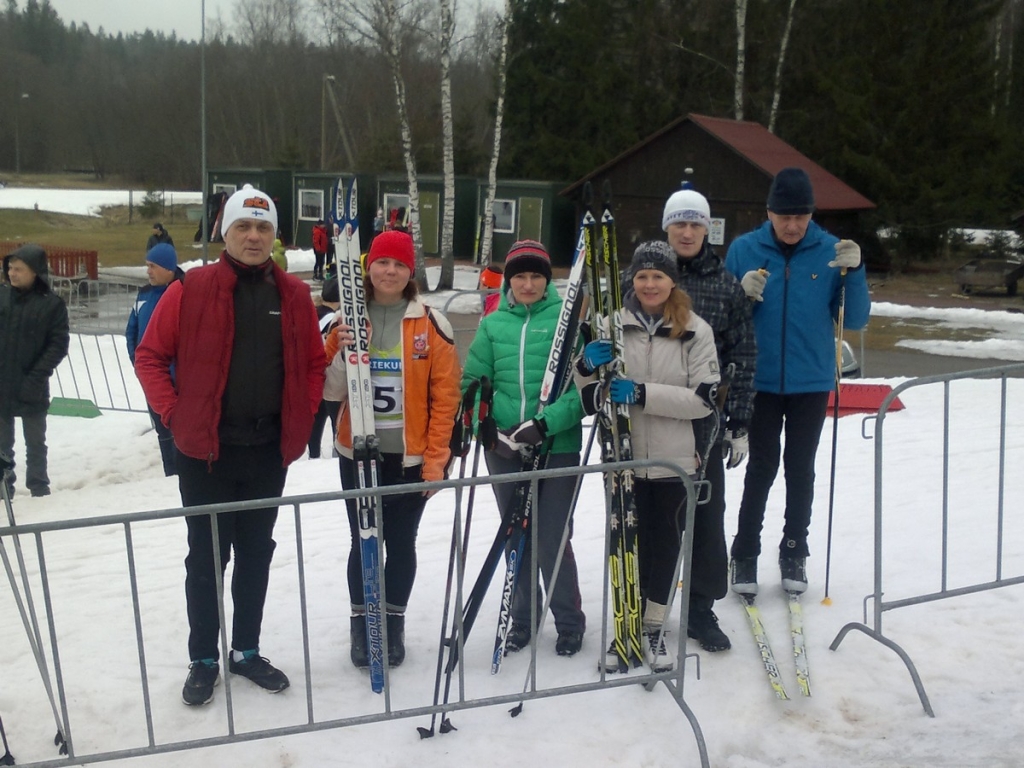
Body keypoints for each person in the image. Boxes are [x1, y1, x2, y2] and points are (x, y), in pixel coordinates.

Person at [135, 184, 326, 707]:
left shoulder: (292, 295)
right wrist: (174, 414)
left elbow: (313, 364)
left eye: (263, 227)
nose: (253, 236)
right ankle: (203, 657)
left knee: (256, 555)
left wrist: (303, 415)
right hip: (206, 455)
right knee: (206, 557)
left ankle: (245, 650)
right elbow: (150, 356)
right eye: (243, 226)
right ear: (224, 230)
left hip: (266, 451)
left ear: (274, 235)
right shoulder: (191, 288)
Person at [724, 167, 870, 595]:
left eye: (800, 217)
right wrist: (742, 297)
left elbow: (855, 318)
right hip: (761, 380)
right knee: (762, 466)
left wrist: (856, 272)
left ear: (811, 214)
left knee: (800, 468)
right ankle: (745, 552)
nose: (791, 226)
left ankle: (794, 550)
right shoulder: (744, 248)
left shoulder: (830, 251)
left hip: (811, 380)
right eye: (783, 216)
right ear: (769, 212)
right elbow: (725, 324)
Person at [576, 241, 721, 671]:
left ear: (672, 280)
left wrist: (641, 394)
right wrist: (586, 365)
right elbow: (586, 396)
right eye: (642, 276)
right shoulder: (609, 325)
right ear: (632, 280)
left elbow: (703, 401)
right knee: (626, 546)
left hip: (675, 460)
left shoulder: (695, 329)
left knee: (664, 544)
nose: (650, 284)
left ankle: (653, 628)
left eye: (658, 276)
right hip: (624, 458)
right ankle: (626, 627)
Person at [323, 230, 461, 669]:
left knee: (401, 542)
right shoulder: (347, 317)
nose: (390, 271)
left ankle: (393, 622)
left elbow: (446, 399)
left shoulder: (431, 322)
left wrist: (436, 462)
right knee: (363, 540)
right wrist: (342, 352)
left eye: (400, 265)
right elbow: (328, 389)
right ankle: (363, 624)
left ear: (410, 273)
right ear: (368, 267)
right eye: (383, 263)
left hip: (408, 457)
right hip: (358, 452)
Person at [461, 239, 587, 658]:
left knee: (551, 535)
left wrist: (545, 424)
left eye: (536, 276)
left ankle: (568, 619)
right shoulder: (494, 323)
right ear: (509, 280)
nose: (528, 284)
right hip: (504, 446)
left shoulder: (566, 321)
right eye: (520, 276)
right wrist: (486, 427)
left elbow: (581, 390)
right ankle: (522, 618)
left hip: (557, 442)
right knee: (517, 534)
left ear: (547, 279)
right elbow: (474, 383)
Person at [660, 186, 756, 652]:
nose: (687, 231)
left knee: (705, 517)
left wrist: (739, 420)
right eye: (679, 223)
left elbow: (743, 350)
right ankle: (647, 604)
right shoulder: (644, 278)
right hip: (650, 419)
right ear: (667, 228)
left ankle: (700, 608)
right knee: (653, 517)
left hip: (704, 424)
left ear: (707, 229)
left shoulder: (723, 284)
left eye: (695, 223)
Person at [0, 244, 70, 498]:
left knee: (35, 443)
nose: (12, 273)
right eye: (10, 268)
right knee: (2, 444)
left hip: (32, 383)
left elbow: (58, 345)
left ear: (35, 273)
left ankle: (38, 486)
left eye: (18, 269)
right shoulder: (2, 296)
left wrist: (37, 376)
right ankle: (4, 487)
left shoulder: (51, 305)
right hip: (2, 382)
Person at [125, 243, 184, 477]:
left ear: (168, 268)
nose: (148, 271)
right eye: (147, 265)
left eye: (153, 266)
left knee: (182, 428)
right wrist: (140, 365)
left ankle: (186, 470)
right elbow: (132, 331)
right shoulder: (144, 295)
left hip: (180, 377)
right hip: (153, 378)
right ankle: (170, 471)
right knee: (163, 429)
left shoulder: (182, 291)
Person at [307, 277, 342, 459]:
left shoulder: (312, 314)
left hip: (313, 377)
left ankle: (313, 454)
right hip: (331, 376)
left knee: (316, 418)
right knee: (337, 420)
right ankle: (338, 452)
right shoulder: (334, 320)